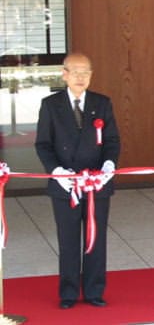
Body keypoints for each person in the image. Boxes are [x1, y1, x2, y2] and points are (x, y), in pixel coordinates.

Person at [34, 53, 120, 309]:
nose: (81, 77)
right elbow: (43, 144)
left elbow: (112, 140)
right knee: (68, 239)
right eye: (76, 71)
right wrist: (57, 172)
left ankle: (94, 290)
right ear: (64, 74)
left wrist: (108, 165)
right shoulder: (51, 104)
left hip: (96, 184)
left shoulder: (102, 103)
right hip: (66, 185)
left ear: (91, 75)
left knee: (96, 238)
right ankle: (69, 293)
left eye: (86, 72)